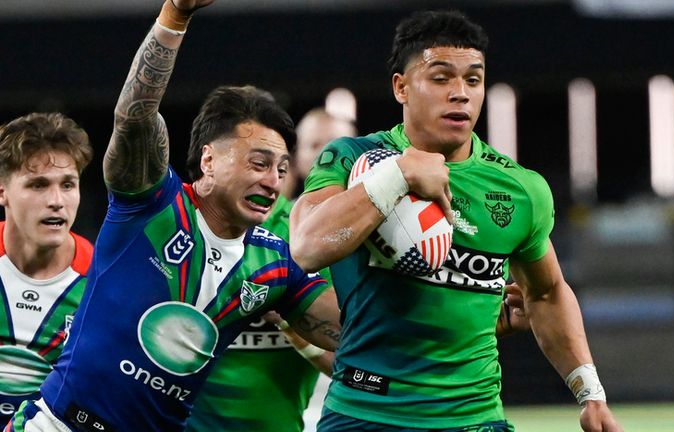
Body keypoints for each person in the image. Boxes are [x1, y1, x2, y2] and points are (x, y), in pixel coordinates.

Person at [7, 1, 340, 431]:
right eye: (257, 163)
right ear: (209, 160)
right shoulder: (151, 202)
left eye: (279, 169)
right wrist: (175, 16)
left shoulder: (275, 264)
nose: (272, 182)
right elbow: (135, 115)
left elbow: (352, 337)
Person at [290, 10, 623, 432]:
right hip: (364, 413)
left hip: (475, 419)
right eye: (441, 77)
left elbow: (547, 293)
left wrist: (590, 393)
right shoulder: (352, 158)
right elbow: (305, 247)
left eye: (473, 79)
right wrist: (399, 175)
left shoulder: (520, 189)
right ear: (401, 87)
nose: (461, 93)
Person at [186, 108, 356, 432]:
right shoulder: (186, 229)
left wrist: (291, 324)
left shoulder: (317, 243)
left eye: (336, 146)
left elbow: (350, 360)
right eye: (316, 144)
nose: (326, 156)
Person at [0, 112, 94, 425]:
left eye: (68, 185)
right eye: (38, 185)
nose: (56, 201)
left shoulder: (101, 283)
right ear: (3, 191)